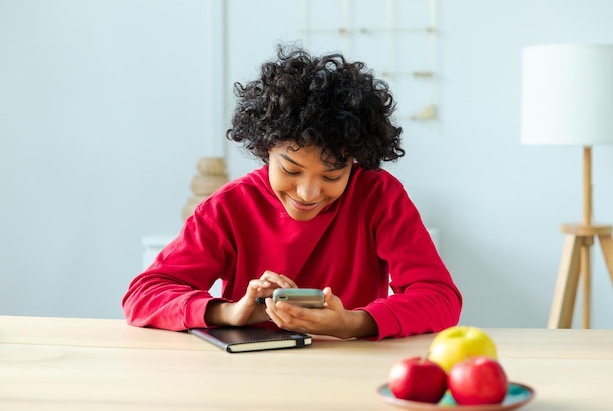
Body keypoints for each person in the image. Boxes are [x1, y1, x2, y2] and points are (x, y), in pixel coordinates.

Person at [122, 45, 462, 340]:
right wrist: (230, 313)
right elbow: (143, 295)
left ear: (355, 162)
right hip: (248, 374)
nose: (308, 192)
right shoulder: (228, 207)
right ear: (265, 148)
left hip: (352, 369)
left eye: (332, 174)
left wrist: (353, 323)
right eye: (290, 170)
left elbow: (440, 297)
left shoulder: (379, 197)